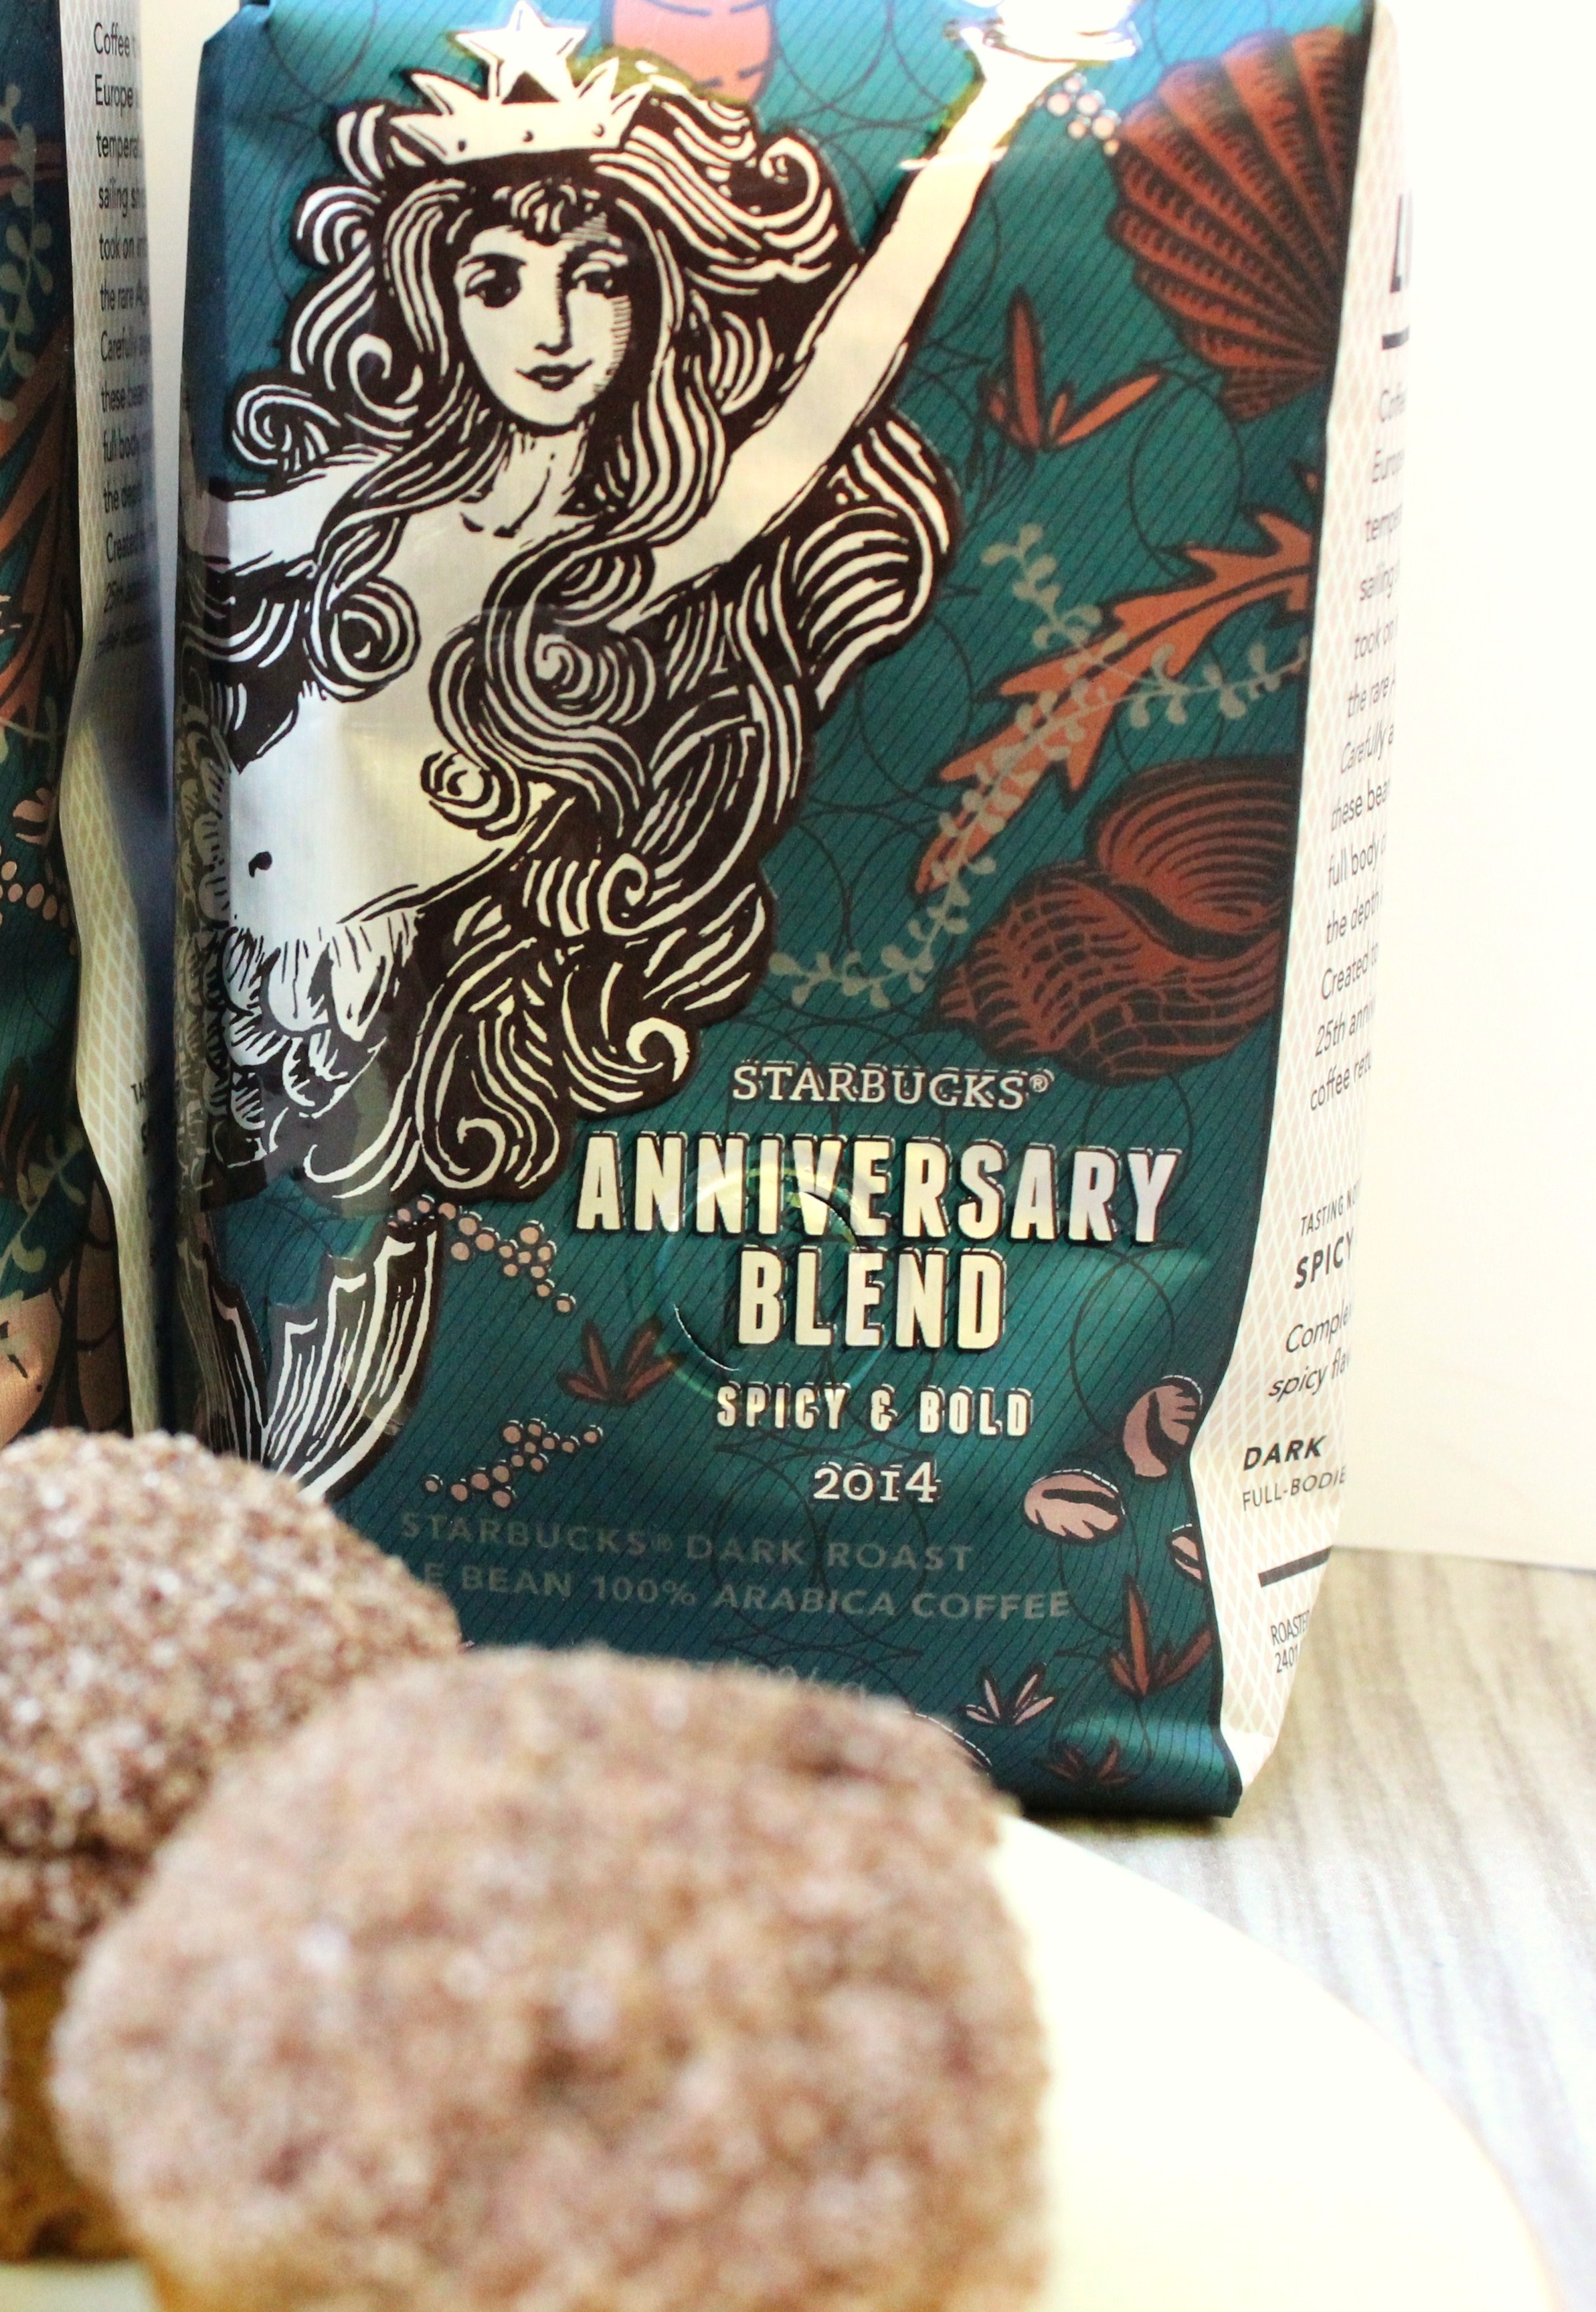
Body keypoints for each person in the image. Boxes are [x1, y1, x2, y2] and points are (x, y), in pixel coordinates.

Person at [185, 0, 1134, 1485]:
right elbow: (181, 542)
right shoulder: (360, 495)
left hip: (352, 1056)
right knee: (239, 1388)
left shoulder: (624, 561)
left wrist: (999, 103)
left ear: (654, 302)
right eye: (497, 281)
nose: (550, 329)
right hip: (224, 1017)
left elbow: (838, 376)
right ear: (436, 298)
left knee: (315, 1419)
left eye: (597, 277)